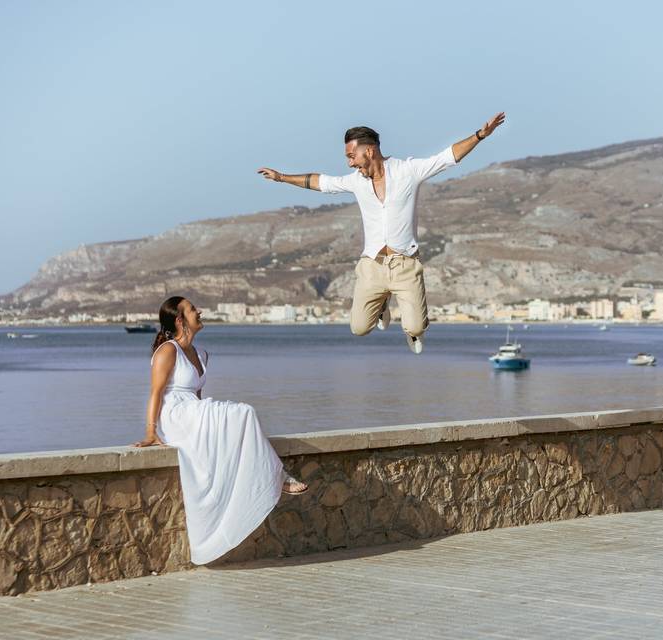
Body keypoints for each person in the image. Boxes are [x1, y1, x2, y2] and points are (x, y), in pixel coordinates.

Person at [258, 112, 506, 354]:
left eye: (351, 156)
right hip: (372, 266)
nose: (350, 162)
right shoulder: (356, 181)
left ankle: (414, 330)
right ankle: (381, 306)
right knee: (358, 328)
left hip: (404, 265)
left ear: (369, 151)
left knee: (416, 325)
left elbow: (447, 157)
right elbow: (320, 182)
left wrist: (480, 135)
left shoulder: (408, 171)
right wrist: (281, 177)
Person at [135, 296, 307, 565]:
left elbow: (200, 399)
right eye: (193, 309)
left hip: (194, 412)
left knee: (242, 417)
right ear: (180, 320)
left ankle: (272, 477)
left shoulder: (202, 354)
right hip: (176, 415)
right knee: (245, 413)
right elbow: (156, 393)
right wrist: (150, 431)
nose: (199, 311)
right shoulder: (168, 351)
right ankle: (277, 477)